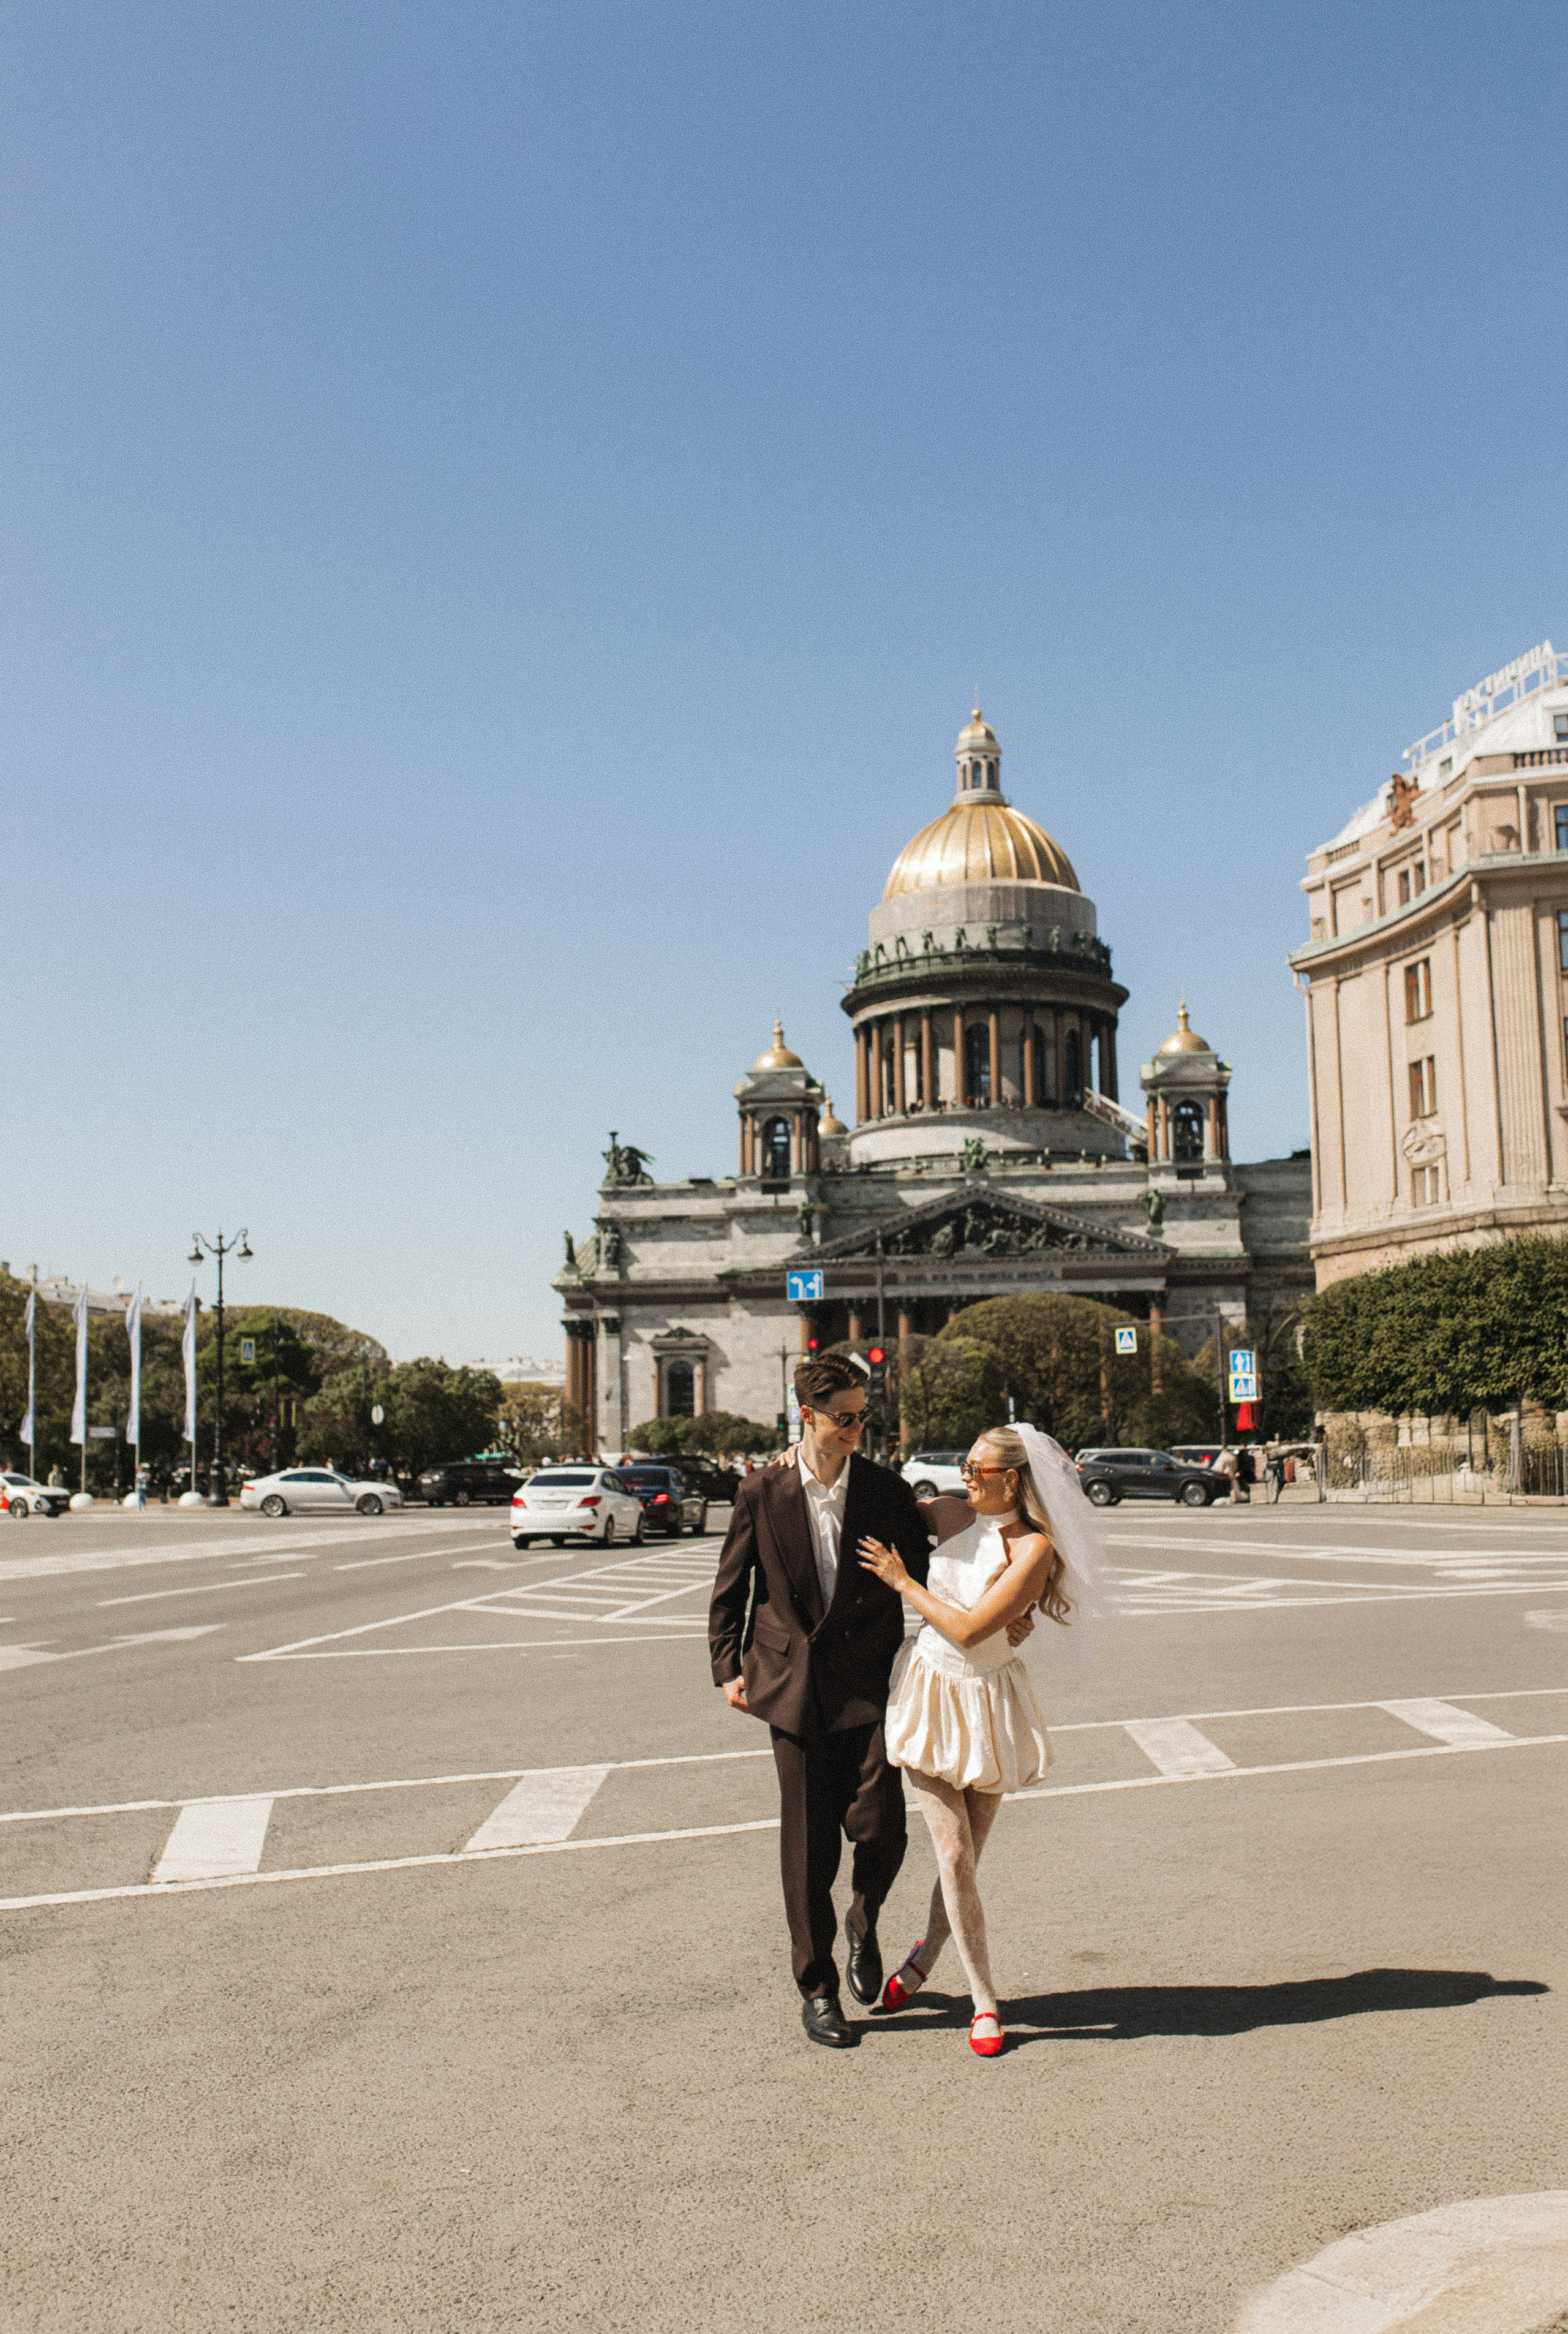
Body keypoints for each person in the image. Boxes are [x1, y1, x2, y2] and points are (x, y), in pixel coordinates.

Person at [709, 1353, 1027, 2049]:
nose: (856, 1429)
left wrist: (1013, 1606)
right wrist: (726, 1668)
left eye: (863, 1416)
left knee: (882, 1830)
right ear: (808, 1416)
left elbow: (944, 1564)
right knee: (807, 1847)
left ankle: (862, 1920)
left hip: (873, 1686)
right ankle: (818, 1990)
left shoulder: (884, 1490)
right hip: (790, 1688)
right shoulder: (761, 1491)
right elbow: (732, 1586)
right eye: (844, 1419)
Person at [858, 1424, 1078, 2058]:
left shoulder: (1033, 1550)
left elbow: (973, 1627)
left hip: (987, 1700)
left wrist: (903, 1582)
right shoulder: (951, 1513)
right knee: (952, 1854)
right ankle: (985, 2002)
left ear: (1013, 1479)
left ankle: (923, 1959)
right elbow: (879, 1499)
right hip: (929, 1692)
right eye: (964, 1465)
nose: (964, 1477)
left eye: (978, 1469)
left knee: (966, 1863)